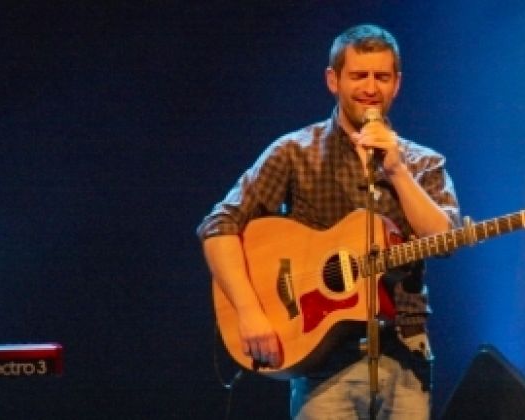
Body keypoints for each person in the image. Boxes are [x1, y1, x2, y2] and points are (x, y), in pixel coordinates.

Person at [197, 23, 460, 419]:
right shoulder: (294, 152)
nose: (370, 87)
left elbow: (444, 240)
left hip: (404, 354)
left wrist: (396, 171)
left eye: (381, 77)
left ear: (397, 84)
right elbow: (219, 226)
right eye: (359, 75)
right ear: (333, 80)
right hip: (320, 362)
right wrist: (249, 311)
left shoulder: (423, 163)